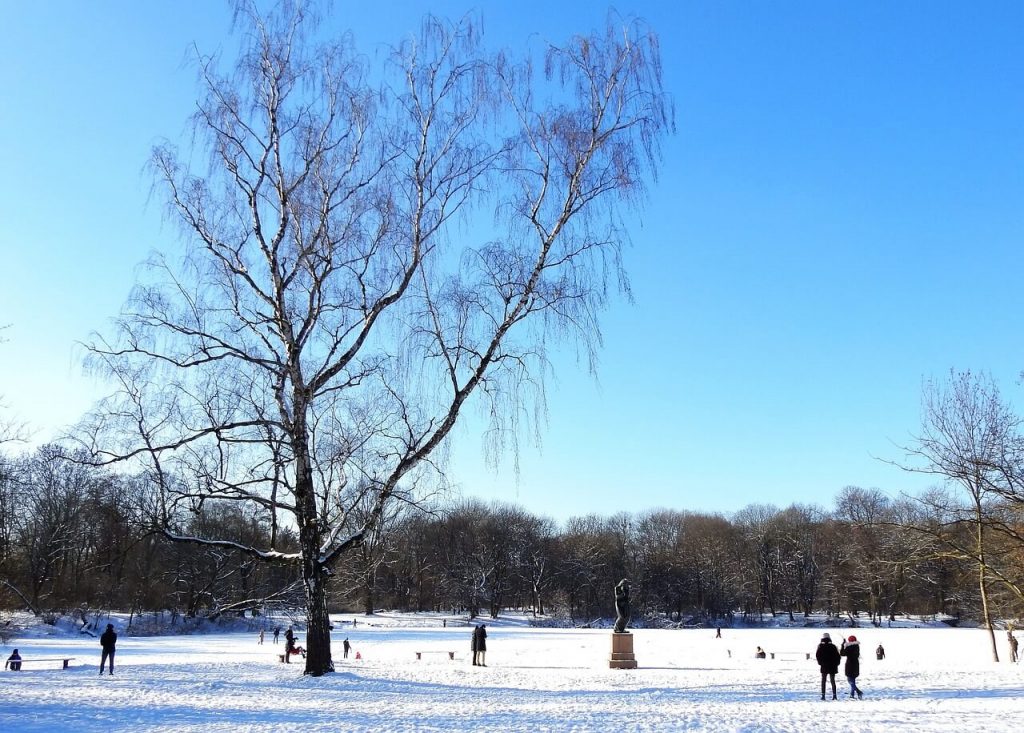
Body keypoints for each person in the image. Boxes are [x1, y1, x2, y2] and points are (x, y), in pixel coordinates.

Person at [816, 633, 840, 700]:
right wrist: (836, 664)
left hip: (824, 666)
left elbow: (818, 656)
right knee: (833, 681)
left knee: (823, 681)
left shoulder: (820, 646)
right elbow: (838, 656)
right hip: (833, 666)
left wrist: (820, 663)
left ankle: (823, 696)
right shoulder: (833, 646)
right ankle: (834, 695)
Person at [841, 635, 863, 699]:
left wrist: (843, 645)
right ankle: (852, 695)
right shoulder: (857, 646)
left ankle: (858, 692)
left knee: (849, 680)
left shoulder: (849, 647)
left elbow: (842, 653)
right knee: (853, 680)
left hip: (849, 665)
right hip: (856, 665)